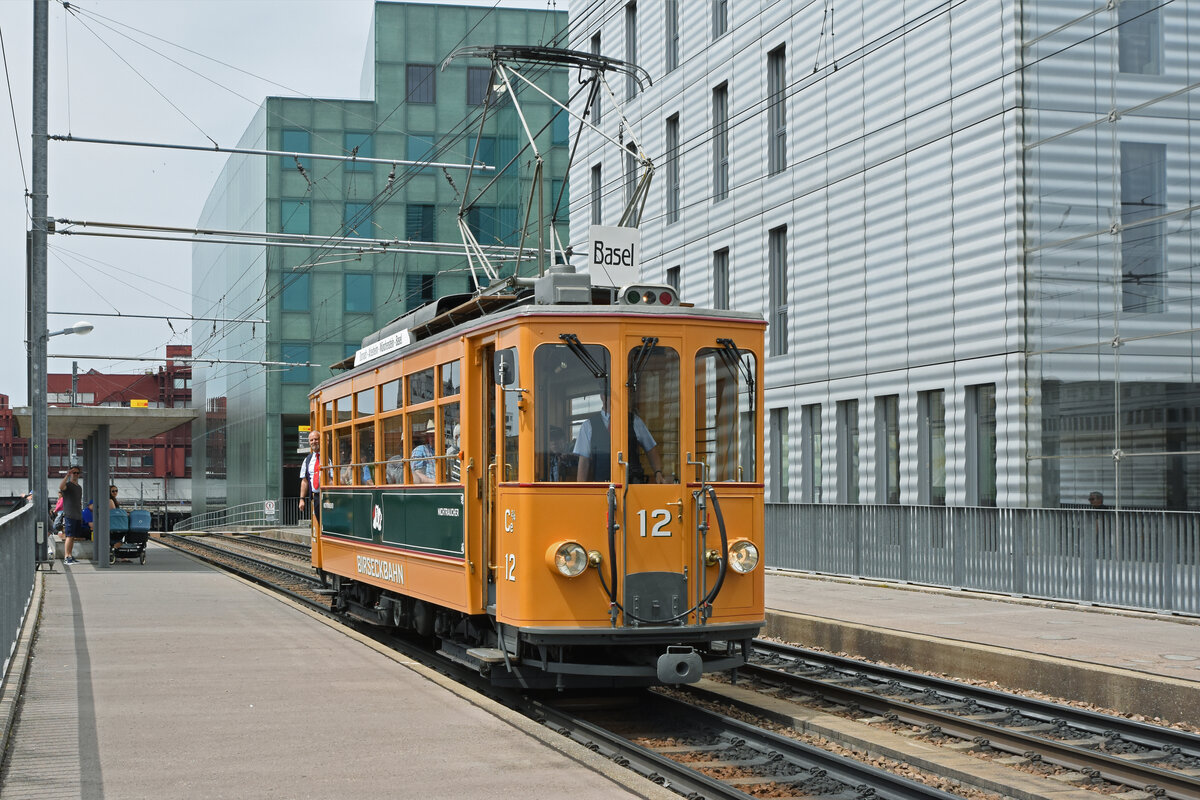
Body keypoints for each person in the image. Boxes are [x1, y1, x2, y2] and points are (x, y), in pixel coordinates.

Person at [574, 393, 665, 483]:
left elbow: (651, 449)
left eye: (617, 394)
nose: (615, 398)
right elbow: (584, 461)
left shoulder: (634, 421)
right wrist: (580, 490)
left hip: (632, 485)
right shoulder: (588, 426)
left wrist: (658, 473)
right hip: (603, 487)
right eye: (611, 394)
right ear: (602, 396)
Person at [59, 466, 85, 565]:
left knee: (73, 536)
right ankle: (66, 556)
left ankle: (70, 555)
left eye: (77, 473)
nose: (75, 475)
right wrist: (67, 475)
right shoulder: (68, 485)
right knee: (69, 536)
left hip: (77, 514)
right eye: (73, 472)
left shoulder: (79, 487)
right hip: (69, 514)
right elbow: (61, 487)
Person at [299, 430, 321, 522]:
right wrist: (301, 499)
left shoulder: (328, 456)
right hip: (316, 497)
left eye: (316, 439)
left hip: (328, 495)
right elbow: (304, 481)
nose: (314, 442)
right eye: (311, 440)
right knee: (320, 522)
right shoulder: (307, 460)